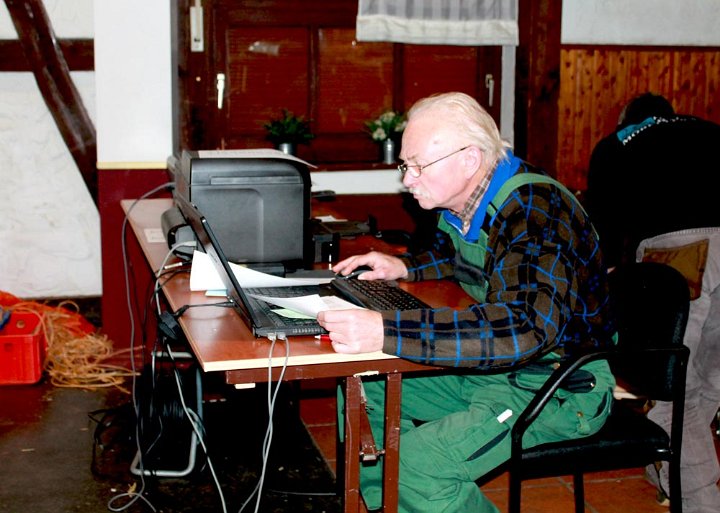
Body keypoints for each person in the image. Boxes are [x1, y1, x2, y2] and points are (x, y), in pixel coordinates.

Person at [316, 92, 616, 513]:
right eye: (405, 165)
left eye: (419, 165)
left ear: (470, 159)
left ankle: (407, 492)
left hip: (557, 385)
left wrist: (386, 330)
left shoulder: (535, 212)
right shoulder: (466, 203)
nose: (408, 180)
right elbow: (457, 256)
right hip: (497, 370)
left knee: (417, 467)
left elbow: (524, 327)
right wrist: (404, 266)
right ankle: (390, 504)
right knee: (366, 383)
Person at [586, 92, 720, 513]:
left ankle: (700, 504)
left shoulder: (618, 143)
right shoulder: (708, 130)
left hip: (680, 255)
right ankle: (665, 465)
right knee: (713, 378)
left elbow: (603, 225)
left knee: (672, 394)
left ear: (627, 120)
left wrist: (608, 276)